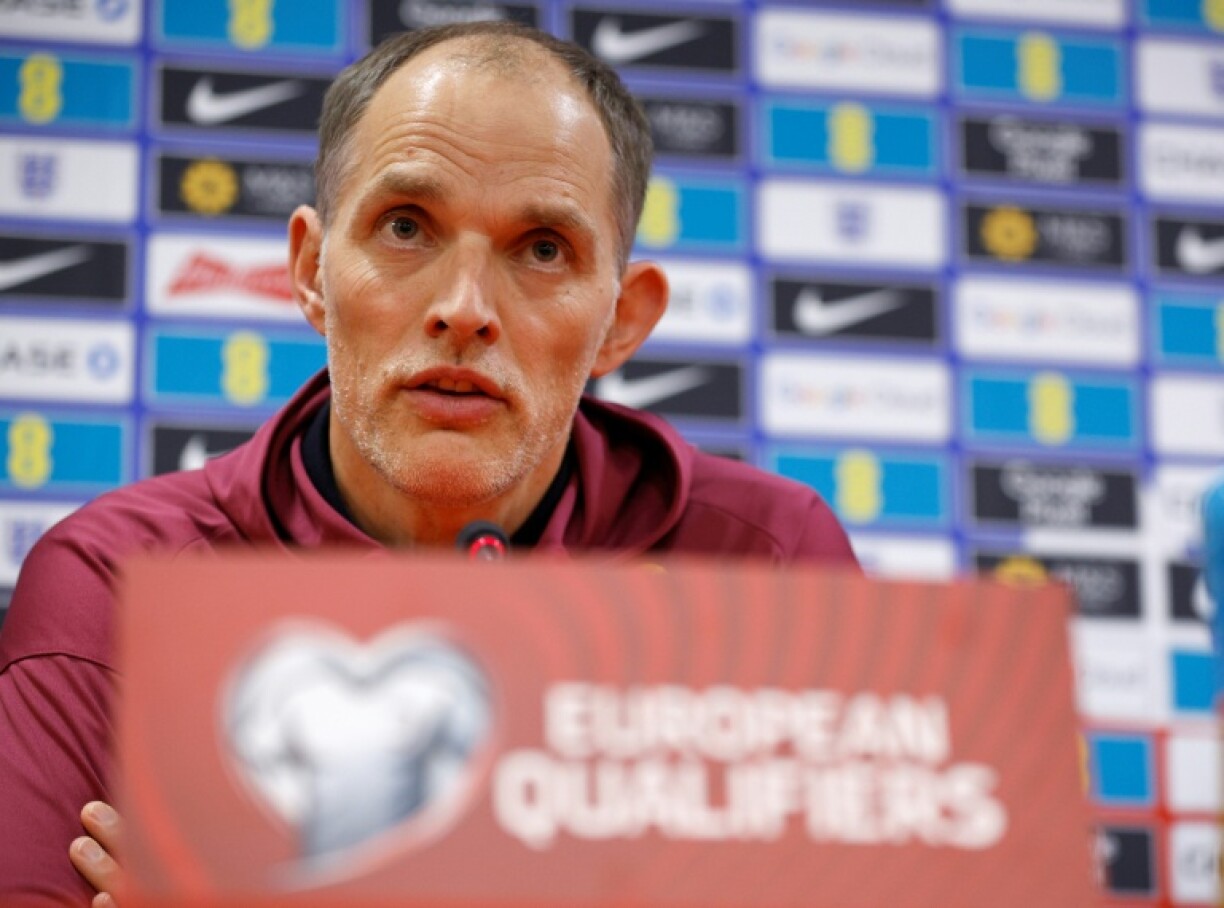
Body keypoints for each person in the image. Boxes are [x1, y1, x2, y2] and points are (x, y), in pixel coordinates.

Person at [0, 21, 858, 904]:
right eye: (406, 226)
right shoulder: (117, 582)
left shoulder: (771, 565)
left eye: (543, 249)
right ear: (309, 274)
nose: (463, 308)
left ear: (622, 320)